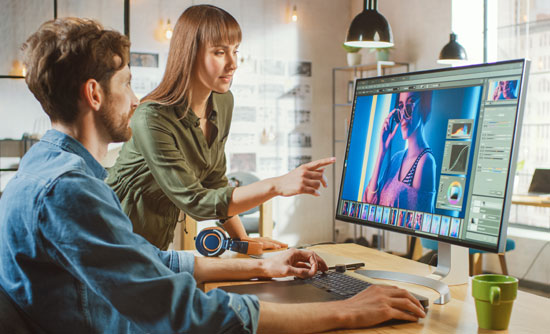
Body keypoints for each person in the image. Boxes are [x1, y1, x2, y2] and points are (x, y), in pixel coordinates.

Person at [0, 17, 426, 334]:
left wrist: (262, 264)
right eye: (127, 84)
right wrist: (349, 311)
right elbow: (183, 311)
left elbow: (149, 261)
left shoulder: (45, 168)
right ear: (94, 94)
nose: (134, 100)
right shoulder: (70, 191)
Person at [106, 4, 333, 250]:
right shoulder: (151, 117)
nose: (233, 63)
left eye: (235, 51)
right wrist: (277, 184)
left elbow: (214, 182)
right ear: (189, 54)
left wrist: (242, 240)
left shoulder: (223, 101)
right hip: (112, 235)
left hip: (154, 243)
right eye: (219, 52)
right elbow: (195, 201)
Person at [363, 91, 436, 213]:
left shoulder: (425, 162)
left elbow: (417, 225)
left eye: (409, 105)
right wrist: (381, 152)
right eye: (400, 107)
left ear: (423, 106)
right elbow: (368, 205)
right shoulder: (397, 158)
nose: (402, 116)